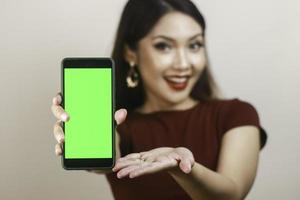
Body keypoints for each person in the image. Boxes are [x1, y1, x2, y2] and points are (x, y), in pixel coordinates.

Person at [51, 0, 267, 199]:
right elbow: (104, 162)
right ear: (131, 53)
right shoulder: (120, 126)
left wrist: (183, 168)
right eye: (164, 46)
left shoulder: (236, 114)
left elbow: (231, 195)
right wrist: (84, 134)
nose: (183, 64)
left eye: (194, 45)